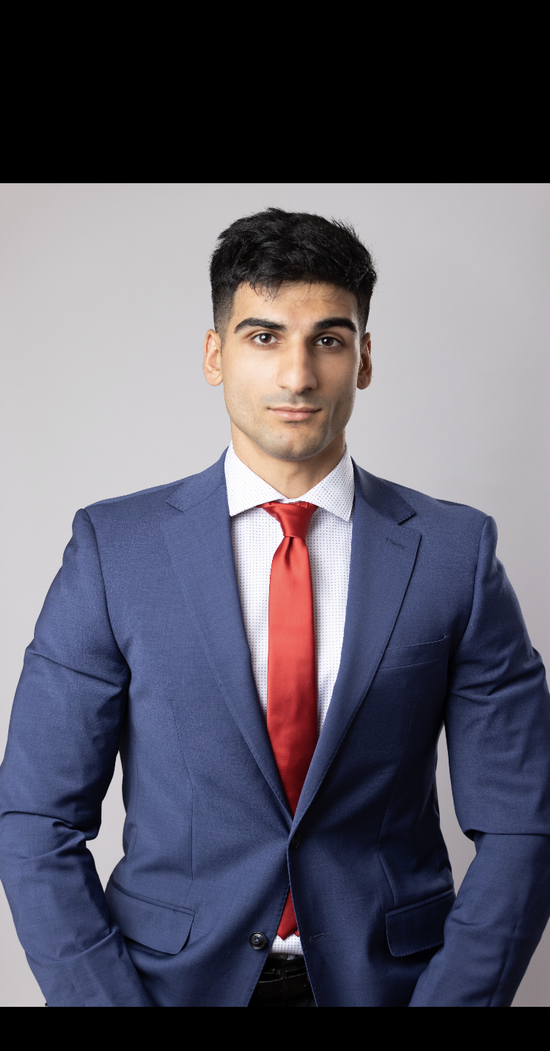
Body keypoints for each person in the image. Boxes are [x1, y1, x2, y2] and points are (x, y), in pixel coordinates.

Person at [1, 207, 549, 1008]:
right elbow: (35, 819)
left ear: (363, 359)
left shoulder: (454, 554)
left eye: (328, 339)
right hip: (167, 987)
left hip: (390, 987)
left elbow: (524, 822)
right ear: (215, 355)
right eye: (264, 338)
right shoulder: (114, 550)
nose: (297, 376)